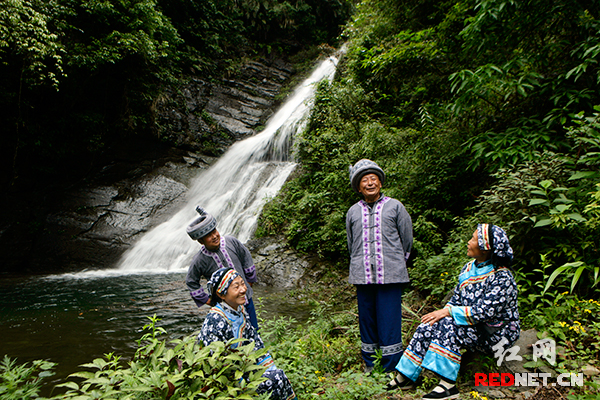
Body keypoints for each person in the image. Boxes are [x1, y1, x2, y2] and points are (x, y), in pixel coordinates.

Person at [386, 224, 520, 400]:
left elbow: (485, 312)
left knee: (447, 322)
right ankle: (406, 375)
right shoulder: (468, 268)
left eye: (473, 239)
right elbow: (456, 299)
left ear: (485, 248)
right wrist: (442, 312)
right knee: (430, 322)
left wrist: (447, 313)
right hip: (472, 325)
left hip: (495, 331)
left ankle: (448, 385)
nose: (468, 242)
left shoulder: (502, 276)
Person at [346, 159, 413, 373]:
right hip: (362, 273)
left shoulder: (395, 206)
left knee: (389, 319)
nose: (369, 183)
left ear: (380, 183)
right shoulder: (352, 212)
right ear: (358, 187)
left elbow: (407, 239)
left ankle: (391, 366)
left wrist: (395, 261)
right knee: (367, 319)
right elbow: (351, 242)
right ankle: (370, 364)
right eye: (364, 180)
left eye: (373, 179)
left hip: (391, 273)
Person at [198, 268, 297, 400]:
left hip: (244, 370)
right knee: (274, 380)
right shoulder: (215, 320)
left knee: (278, 375)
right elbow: (215, 364)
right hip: (227, 382)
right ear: (221, 294)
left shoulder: (240, 310)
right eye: (236, 287)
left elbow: (256, 344)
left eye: (242, 284)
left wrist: (270, 369)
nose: (243, 290)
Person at [185, 205, 259, 330]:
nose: (214, 236)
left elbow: (246, 258)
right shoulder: (199, 260)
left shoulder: (231, 242)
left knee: (253, 328)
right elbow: (191, 281)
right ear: (201, 241)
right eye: (209, 235)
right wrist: (207, 300)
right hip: (225, 307)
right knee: (232, 334)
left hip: (246, 299)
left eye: (214, 231)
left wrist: (249, 281)